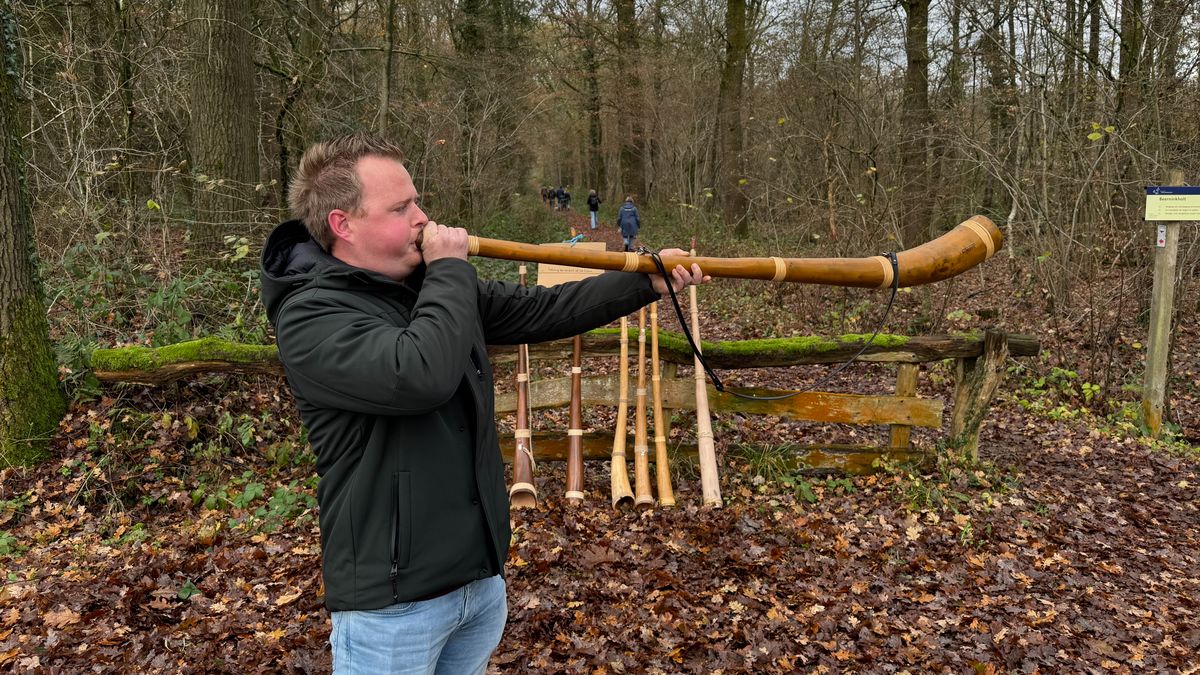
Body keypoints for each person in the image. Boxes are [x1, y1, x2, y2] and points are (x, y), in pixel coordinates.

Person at [259, 131, 707, 675]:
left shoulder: (429, 285)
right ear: (342, 223)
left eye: (417, 201)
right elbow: (420, 373)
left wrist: (645, 281)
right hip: (394, 607)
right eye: (402, 208)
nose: (424, 218)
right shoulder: (312, 315)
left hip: (477, 585)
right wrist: (448, 270)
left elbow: (545, 310)